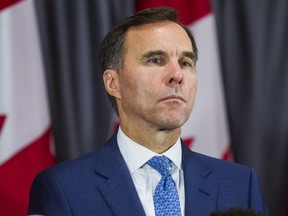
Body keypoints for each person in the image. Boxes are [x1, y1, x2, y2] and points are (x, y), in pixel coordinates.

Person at [28, 7, 268, 216]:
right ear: (113, 83)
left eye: (186, 63)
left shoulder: (239, 184)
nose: (177, 74)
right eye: (156, 60)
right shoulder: (64, 188)